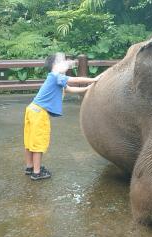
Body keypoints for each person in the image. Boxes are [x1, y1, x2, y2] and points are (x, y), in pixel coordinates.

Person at [24, 52, 100, 180]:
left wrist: (88, 88)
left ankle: (30, 167)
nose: (67, 63)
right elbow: (75, 80)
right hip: (39, 113)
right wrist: (94, 79)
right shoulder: (55, 76)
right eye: (63, 61)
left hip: (32, 110)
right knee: (38, 143)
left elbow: (70, 89)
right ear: (55, 65)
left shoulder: (56, 78)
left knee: (30, 141)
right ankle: (37, 173)